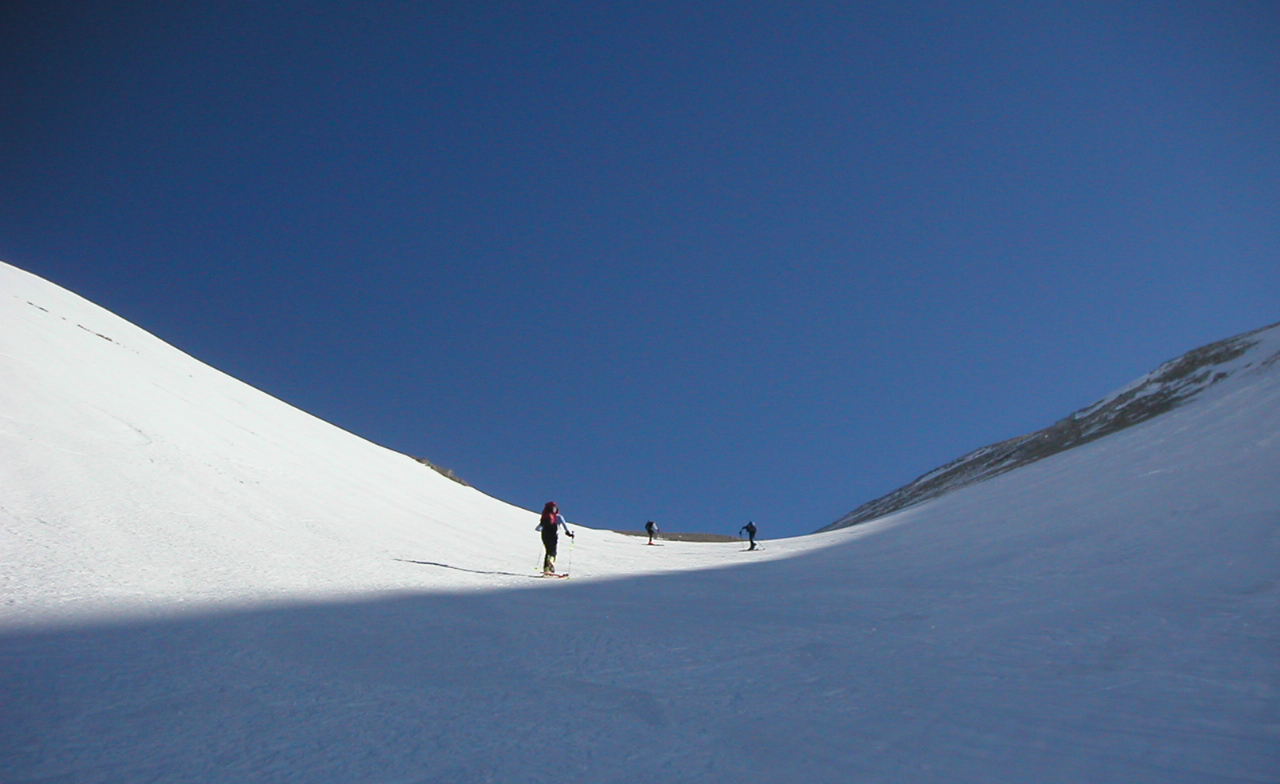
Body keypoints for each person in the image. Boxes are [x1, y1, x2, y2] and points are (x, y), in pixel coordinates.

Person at [536, 501, 574, 574]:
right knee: (553, 551)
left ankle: (546, 568)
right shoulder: (559, 517)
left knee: (548, 551)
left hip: (544, 535)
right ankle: (551, 561)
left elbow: (537, 528)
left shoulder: (545, 517)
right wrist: (569, 533)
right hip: (553, 535)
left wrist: (544, 527)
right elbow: (565, 526)